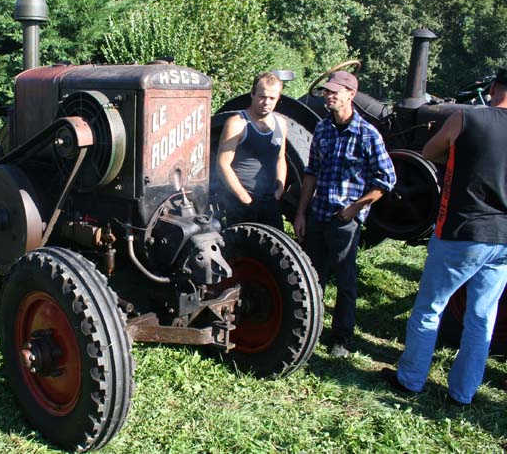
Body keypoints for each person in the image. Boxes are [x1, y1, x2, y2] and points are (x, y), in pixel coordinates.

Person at [384, 67, 507, 405]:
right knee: (482, 318)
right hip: (503, 239)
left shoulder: (467, 119)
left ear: (494, 87)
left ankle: (409, 381)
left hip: (462, 232)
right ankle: (462, 395)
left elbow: (427, 152)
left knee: (429, 308)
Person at [293, 71, 396, 358]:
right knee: (312, 276)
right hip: (318, 215)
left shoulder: (367, 134)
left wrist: (354, 208)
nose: (329, 96)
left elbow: (386, 179)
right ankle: (309, 330)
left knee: (346, 280)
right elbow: (311, 173)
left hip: (344, 220)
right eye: (327, 91)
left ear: (351, 94)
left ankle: (342, 338)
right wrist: (301, 212)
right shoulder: (323, 130)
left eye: (335, 92)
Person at [216, 72, 287, 230]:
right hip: (242, 204)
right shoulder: (237, 123)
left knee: (276, 250)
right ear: (253, 93)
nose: (266, 102)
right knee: (241, 252)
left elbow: (281, 158)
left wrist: (279, 190)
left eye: (272, 98)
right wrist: (244, 198)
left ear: (278, 98)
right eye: (262, 96)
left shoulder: (280, 124)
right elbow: (222, 164)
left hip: (270, 202)